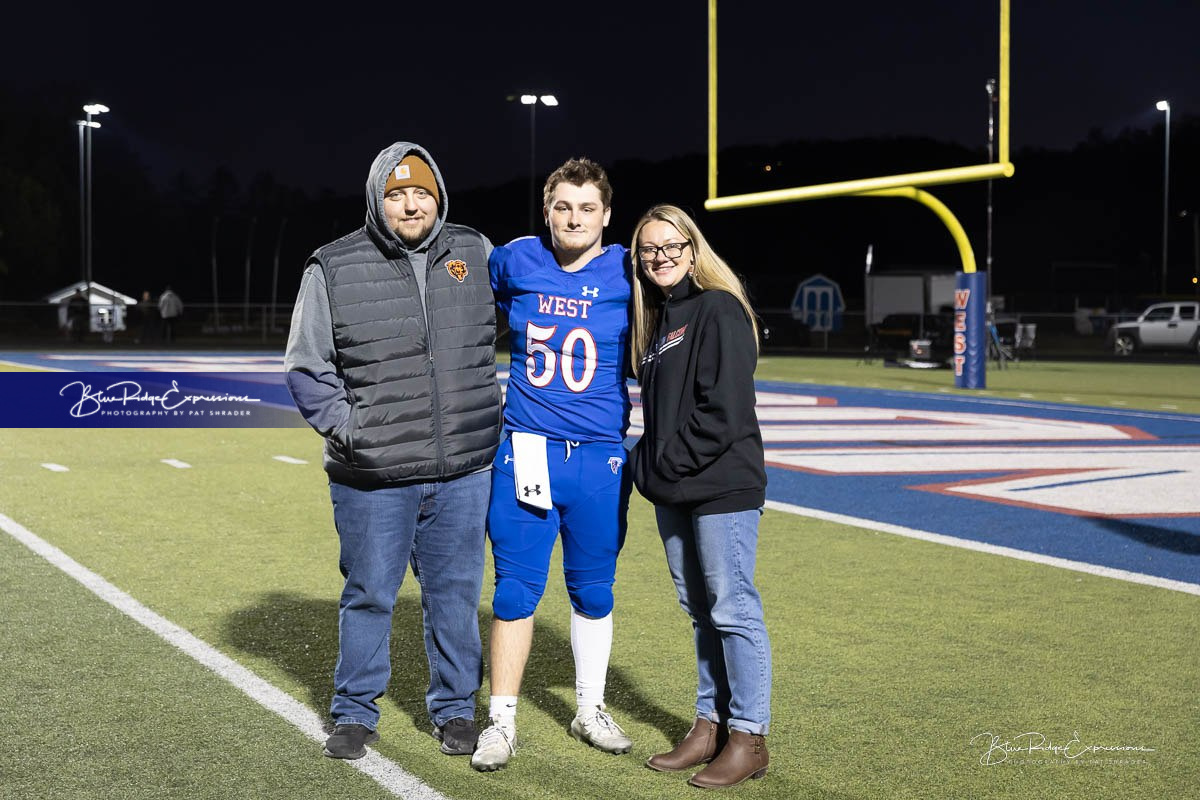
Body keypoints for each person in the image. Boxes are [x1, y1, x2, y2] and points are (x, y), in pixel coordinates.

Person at [284, 142, 502, 761]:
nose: (411, 206)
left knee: (455, 596)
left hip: (462, 470)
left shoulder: (475, 251)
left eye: (421, 194)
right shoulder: (333, 264)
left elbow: (523, 322)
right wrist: (353, 432)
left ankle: (456, 708)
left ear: (439, 198)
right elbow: (306, 366)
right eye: (397, 194)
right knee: (369, 594)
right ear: (378, 200)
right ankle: (355, 712)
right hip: (373, 474)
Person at [471, 158, 634, 772]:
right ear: (547, 211)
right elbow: (466, 300)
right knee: (515, 590)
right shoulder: (515, 259)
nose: (574, 218)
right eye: (563, 206)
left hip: (598, 458)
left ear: (606, 215)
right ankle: (501, 722)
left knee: (593, 589)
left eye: (587, 208)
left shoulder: (628, 268)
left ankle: (589, 709)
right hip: (528, 452)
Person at [627, 204, 772, 789]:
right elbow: (662, 416)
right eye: (648, 249)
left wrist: (659, 465)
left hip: (721, 486)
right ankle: (710, 725)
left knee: (733, 608)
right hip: (676, 489)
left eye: (671, 246)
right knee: (700, 610)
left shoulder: (719, 308)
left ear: (692, 249)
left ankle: (749, 737)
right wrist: (647, 464)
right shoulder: (658, 320)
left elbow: (725, 412)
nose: (660, 257)